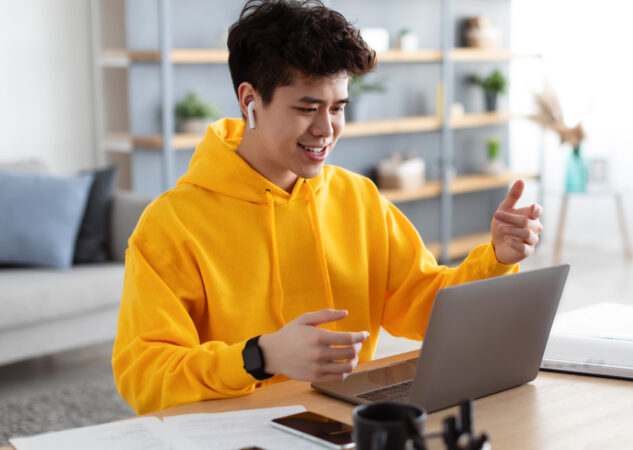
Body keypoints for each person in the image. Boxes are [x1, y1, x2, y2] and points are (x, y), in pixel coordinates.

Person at [112, 0, 544, 414]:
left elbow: (424, 306)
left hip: (346, 423)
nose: (326, 129)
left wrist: (497, 259)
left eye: (338, 107)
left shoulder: (359, 199)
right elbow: (143, 375)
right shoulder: (172, 223)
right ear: (250, 102)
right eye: (306, 107)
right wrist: (257, 357)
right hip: (233, 442)